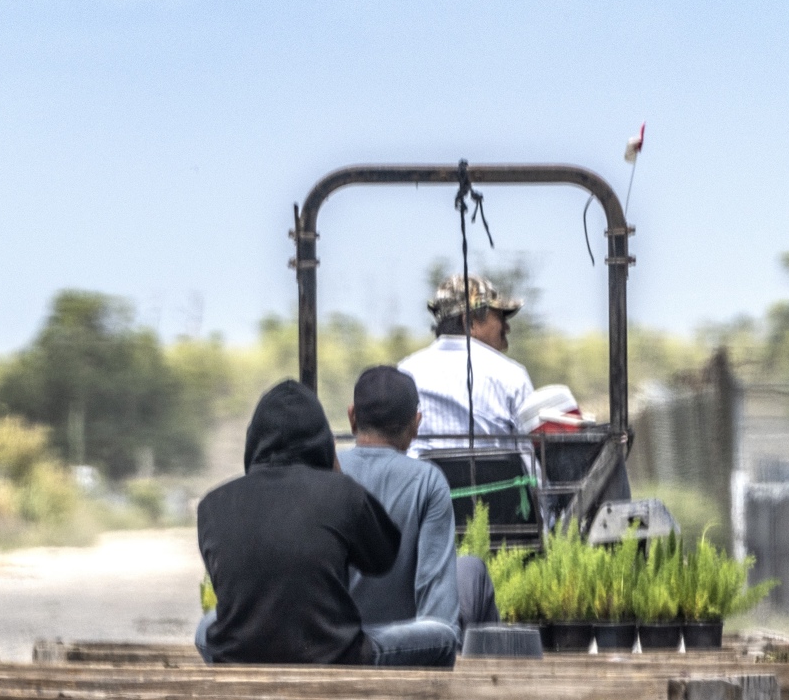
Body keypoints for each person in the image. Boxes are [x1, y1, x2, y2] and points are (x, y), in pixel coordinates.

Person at [194, 380, 460, 666]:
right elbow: (382, 559)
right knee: (443, 637)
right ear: (323, 440)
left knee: (205, 626)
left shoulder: (211, 505)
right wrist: (335, 474)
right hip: (335, 657)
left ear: (252, 440)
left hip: (238, 656)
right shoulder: (342, 492)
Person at [338, 366, 463, 667]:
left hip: (329, 654)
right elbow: (439, 616)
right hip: (401, 660)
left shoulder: (324, 471)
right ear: (415, 424)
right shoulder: (427, 482)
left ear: (352, 417)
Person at [397, 274, 535, 451]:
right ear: (470, 322)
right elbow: (531, 457)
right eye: (501, 317)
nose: (507, 327)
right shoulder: (512, 376)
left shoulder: (404, 372)